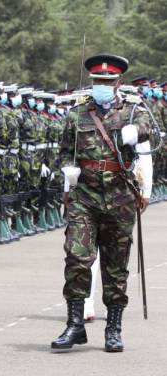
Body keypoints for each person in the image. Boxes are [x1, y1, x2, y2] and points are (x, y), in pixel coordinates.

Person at [51, 53, 153, 353]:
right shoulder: (77, 114)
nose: (102, 86)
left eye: (107, 81)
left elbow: (154, 134)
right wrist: (66, 174)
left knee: (116, 265)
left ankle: (113, 328)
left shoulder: (134, 112)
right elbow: (64, 150)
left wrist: (137, 133)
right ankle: (75, 324)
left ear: (117, 82)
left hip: (119, 195)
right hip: (84, 195)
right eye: (98, 81)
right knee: (77, 258)